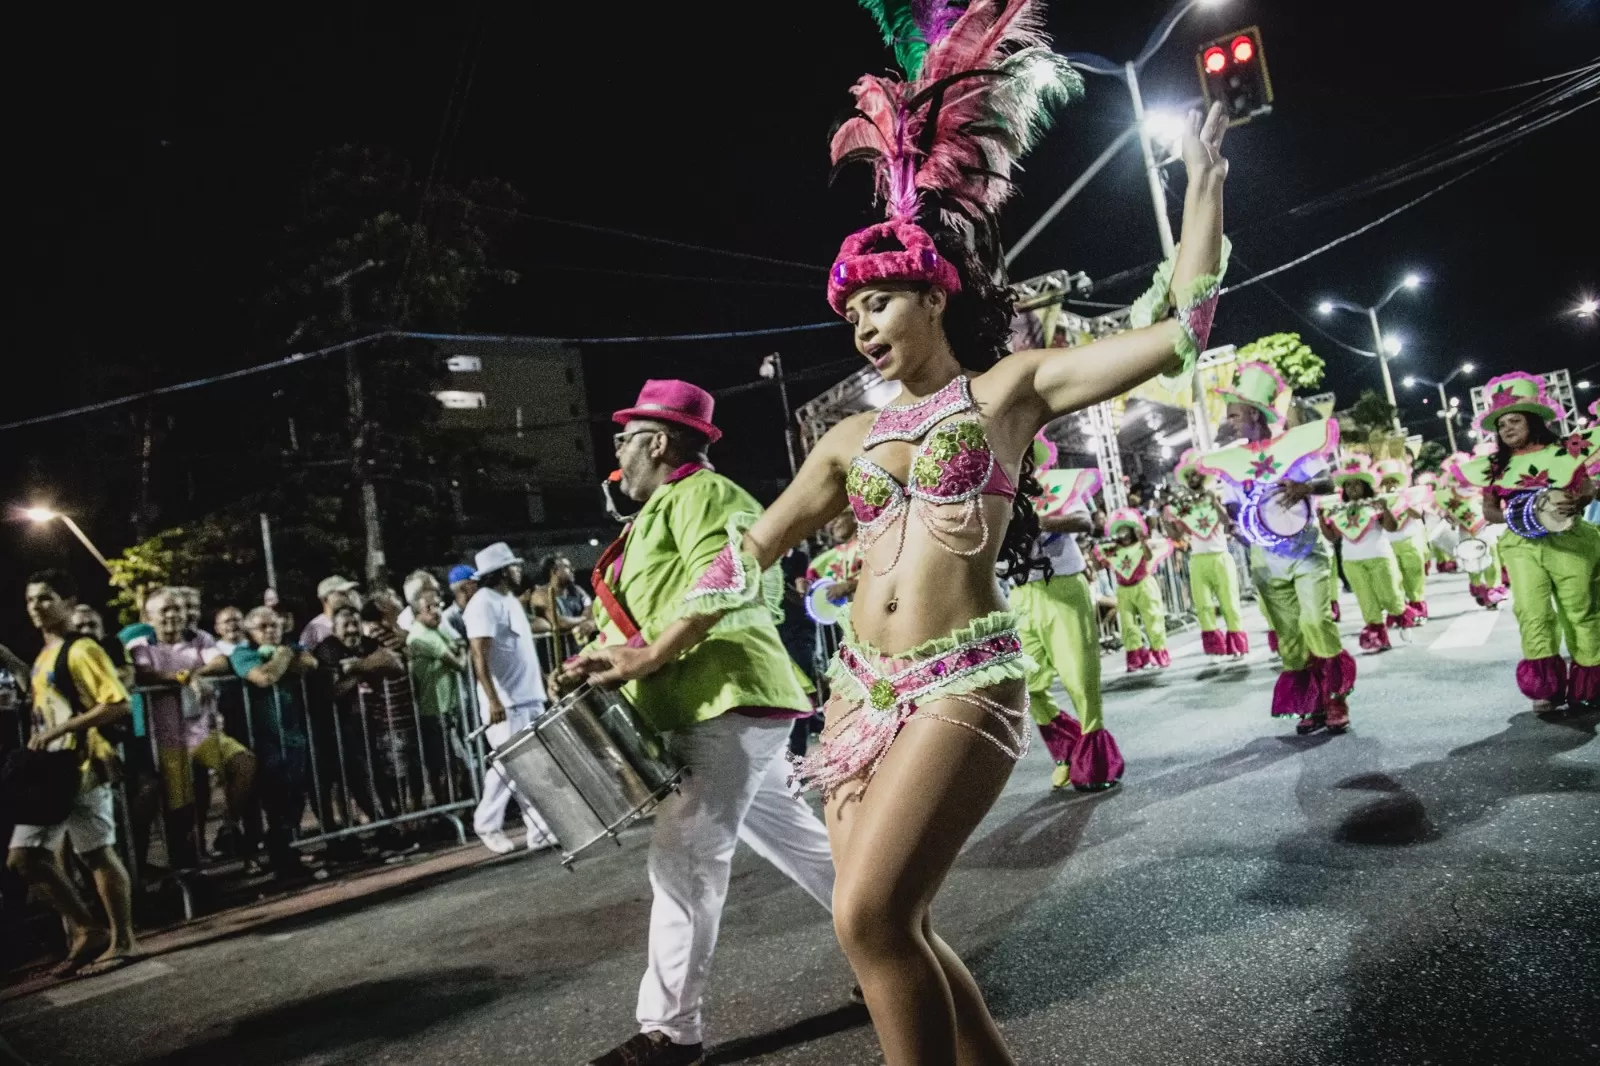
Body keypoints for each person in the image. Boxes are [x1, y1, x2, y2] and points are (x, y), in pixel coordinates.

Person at [575, 5, 1230, 1058]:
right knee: (897, 928)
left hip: (959, 678)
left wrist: (1204, 180)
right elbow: (742, 556)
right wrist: (647, 644)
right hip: (854, 697)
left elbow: (1178, 332)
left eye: (879, 301)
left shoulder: (1008, 390)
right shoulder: (845, 440)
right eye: (852, 315)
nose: (865, 326)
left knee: (869, 917)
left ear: (933, 292)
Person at [569, 379, 838, 1066]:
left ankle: (669, 1033)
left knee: (684, 861)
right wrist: (595, 653)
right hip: (714, 702)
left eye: (624, 440)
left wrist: (649, 651)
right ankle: (897, 940)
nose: (616, 456)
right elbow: (660, 605)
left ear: (657, 441)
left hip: (724, 698)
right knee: (800, 845)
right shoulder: (663, 507)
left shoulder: (704, 496)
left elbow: (731, 581)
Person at [1198, 362, 1356, 735]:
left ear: (1254, 413)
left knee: (1316, 620)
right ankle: (1312, 703)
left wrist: (1305, 489)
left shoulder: (1295, 446)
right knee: (1289, 636)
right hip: (1264, 559)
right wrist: (1236, 523)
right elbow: (1236, 506)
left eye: (1234, 414)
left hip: (1305, 550)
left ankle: (1335, 697)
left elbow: (1329, 482)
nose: (1230, 422)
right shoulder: (1233, 460)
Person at [1, 570, 140, 976]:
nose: (36, 607)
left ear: (67, 602)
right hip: (54, 771)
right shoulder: (46, 655)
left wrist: (62, 730)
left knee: (87, 852)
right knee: (27, 857)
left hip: (80, 765)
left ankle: (118, 938)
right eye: (31, 600)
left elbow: (117, 704)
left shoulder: (82, 650)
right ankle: (89, 930)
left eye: (45, 598)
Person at [1451, 373, 1599, 712]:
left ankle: (1589, 682)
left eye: (1514, 421)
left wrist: (1578, 502)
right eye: (1501, 425)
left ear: (1533, 421)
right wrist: (1517, 515)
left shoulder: (1566, 452)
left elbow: (1588, 488)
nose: (1506, 429)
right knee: (1532, 612)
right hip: (1521, 545)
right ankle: (1546, 688)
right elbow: (1489, 511)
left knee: (1581, 610)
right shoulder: (1492, 467)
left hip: (1569, 541)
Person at [1014, 463, 1122, 791]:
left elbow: (1084, 521)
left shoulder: (1054, 484)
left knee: (1079, 678)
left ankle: (1096, 762)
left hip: (1063, 586)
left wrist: (1037, 522)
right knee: (1025, 684)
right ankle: (1067, 748)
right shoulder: (998, 493)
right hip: (1021, 593)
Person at [131, 588, 258, 865]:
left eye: (177, 608)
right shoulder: (142, 644)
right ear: (150, 616)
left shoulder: (199, 637)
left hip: (203, 732)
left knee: (244, 763)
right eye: (165, 610)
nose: (173, 615)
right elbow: (144, 673)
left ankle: (227, 825)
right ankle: (186, 869)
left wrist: (195, 676)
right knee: (181, 810)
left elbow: (220, 661)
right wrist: (182, 678)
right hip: (166, 740)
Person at [463, 542, 556, 855]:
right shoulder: (483, 603)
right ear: (502, 572)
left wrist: (543, 682)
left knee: (534, 766)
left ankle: (540, 831)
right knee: (510, 768)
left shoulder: (509, 601)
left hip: (527, 696)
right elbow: (479, 653)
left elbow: (523, 652)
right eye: (513, 566)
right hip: (507, 702)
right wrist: (492, 700)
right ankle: (487, 823)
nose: (519, 570)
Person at [229, 606, 316, 879]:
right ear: (250, 632)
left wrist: (285, 656)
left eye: (274, 625)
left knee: (296, 795)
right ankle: (281, 856)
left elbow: (310, 663)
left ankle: (291, 848)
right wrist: (283, 657)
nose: (270, 631)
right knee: (275, 797)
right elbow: (263, 678)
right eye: (262, 627)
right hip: (265, 738)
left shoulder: (289, 648)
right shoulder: (243, 654)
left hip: (295, 735)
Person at [313, 604, 410, 826]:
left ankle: (391, 824)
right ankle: (375, 827)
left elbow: (394, 663)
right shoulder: (328, 649)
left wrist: (355, 668)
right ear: (334, 629)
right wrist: (368, 669)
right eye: (345, 625)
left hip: (368, 722)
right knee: (353, 779)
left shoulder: (366, 643)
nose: (351, 630)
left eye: (355, 624)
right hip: (334, 726)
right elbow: (332, 691)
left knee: (380, 773)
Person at [1318, 457, 1412, 653]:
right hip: (1352, 562)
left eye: (1357, 484)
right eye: (1348, 485)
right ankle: (1379, 636)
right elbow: (1332, 537)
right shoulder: (1338, 510)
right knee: (1366, 601)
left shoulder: (1374, 505)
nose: (1352, 488)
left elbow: (1392, 528)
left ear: (1366, 486)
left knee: (1391, 596)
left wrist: (1385, 509)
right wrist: (1321, 519)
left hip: (1379, 557)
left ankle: (1402, 620)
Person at [1163, 448, 1248, 660]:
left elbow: (1227, 522)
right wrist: (1166, 520)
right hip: (1197, 560)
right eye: (1189, 476)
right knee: (1203, 606)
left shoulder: (1214, 496)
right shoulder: (1184, 507)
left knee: (1229, 602)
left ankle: (1237, 645)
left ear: (1203, 477)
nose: (1193, 479)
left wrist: (1214, 502)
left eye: (1196, 475)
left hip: (1220, 556)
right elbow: (1178, 534)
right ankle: (1215, 648)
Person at [406, 588, 469, 808]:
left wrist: (459, 648)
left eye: (437, 606)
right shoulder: (421, 637)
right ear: (416, 613)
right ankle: (446, 808)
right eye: (428, 608)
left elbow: (455, 646)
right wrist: (462, 650)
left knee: (455, 763)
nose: (436, 612)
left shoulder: (435, 631)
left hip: (446, 708)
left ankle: (455, 806)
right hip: (432, 711)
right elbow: (459, 662)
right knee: (444, 766)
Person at [1094, 508, 1172, 672]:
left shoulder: (1141, 545)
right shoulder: (1112, 550)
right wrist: (1094, 553)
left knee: (1153, 622)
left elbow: (1149, 557)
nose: (1124, 534)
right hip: (1124, 589)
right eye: (1120, 531)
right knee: (1128, 626)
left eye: (1127, 530)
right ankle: (1136, 660)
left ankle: (1158, 655)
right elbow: (1098, 565)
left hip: (1144, 585)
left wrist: (1143, 542)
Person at [1375, 458, 1432, 621]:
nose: (1389, 484)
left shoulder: (1409, 496)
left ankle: (1417, 606)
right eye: (1385, 481)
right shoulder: (1378, 501)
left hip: (1410, 541)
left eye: (1392, 480)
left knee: (1414, 575)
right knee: (1393, 579)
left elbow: (1418, 514)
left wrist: (1403, 502)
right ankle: (1400, 611)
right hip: (1388, 544)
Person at [299, 575, 360, 650]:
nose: (346, 597)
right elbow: (304, 655)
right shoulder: (314, 628)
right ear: (325, 598)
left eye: (347, 593)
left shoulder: (356, 621)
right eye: (340, 593)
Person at [441, 565, 476, 642]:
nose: (476, 586)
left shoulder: (479, 609)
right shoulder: (448, 617)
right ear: (462, 588)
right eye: (473, 582)